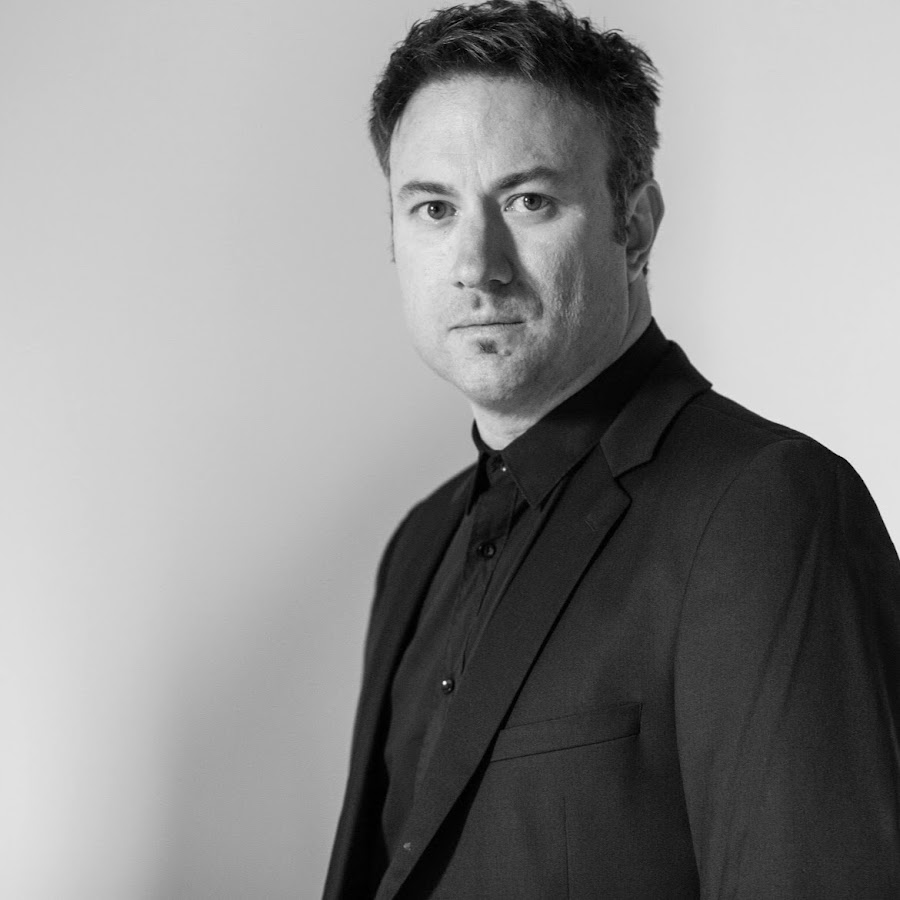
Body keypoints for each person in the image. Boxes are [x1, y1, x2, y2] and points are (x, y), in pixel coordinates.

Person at [324, 1, 900, 897]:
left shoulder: (768, 509)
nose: (476, 263)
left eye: (529, 201)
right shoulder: (416, 547)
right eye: (433, 208)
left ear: (635, 226)